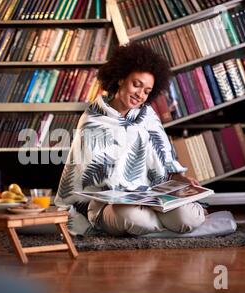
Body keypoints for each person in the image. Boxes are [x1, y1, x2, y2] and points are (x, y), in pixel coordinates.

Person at [54, 42, 205, 236]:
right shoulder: (92, 120)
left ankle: (158, 228)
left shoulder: (148, 115)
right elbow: (83, 176)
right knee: (130, 218)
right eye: (137, 84)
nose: (140, 95)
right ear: (121, 79)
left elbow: (165, 163)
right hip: (112, 205)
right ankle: (169, 228)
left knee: (188, 217)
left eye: (147, 91)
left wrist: (180, 179)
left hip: (154, 199)